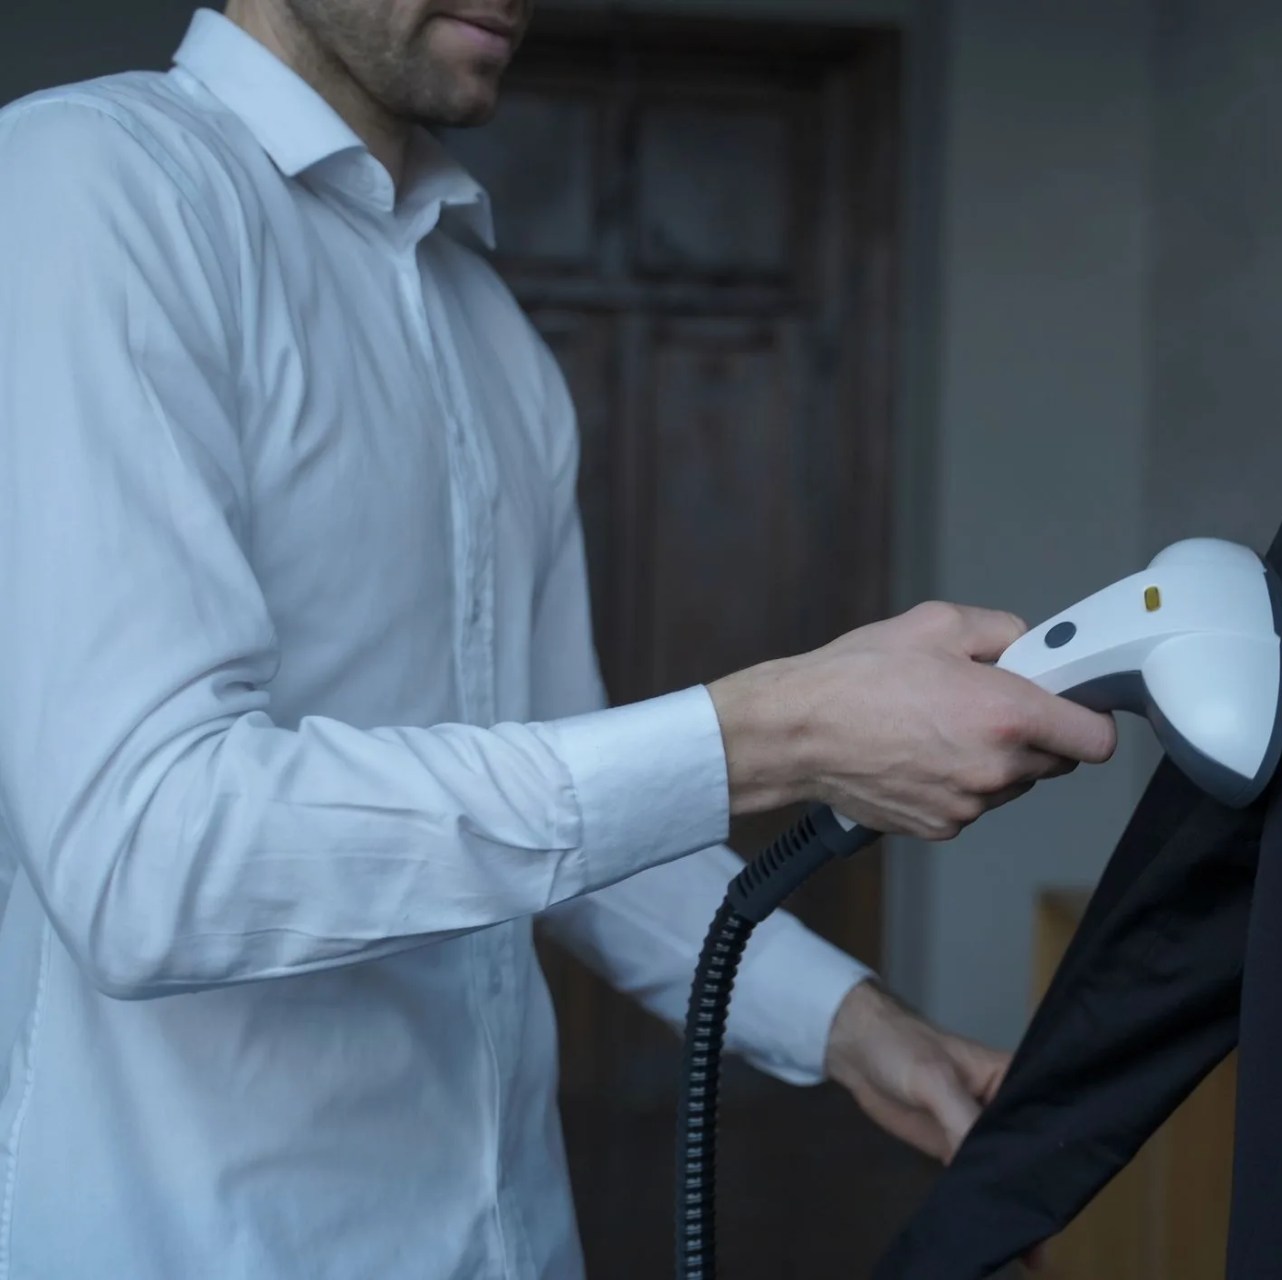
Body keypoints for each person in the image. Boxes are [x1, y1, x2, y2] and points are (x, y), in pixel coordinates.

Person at [0, 2, 1118, 1276]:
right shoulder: (93, 187)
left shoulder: (490, 333)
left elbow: (595, 830)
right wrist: (780, 728)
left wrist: (856, 1028)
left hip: (510, 1237)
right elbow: (149, 856)